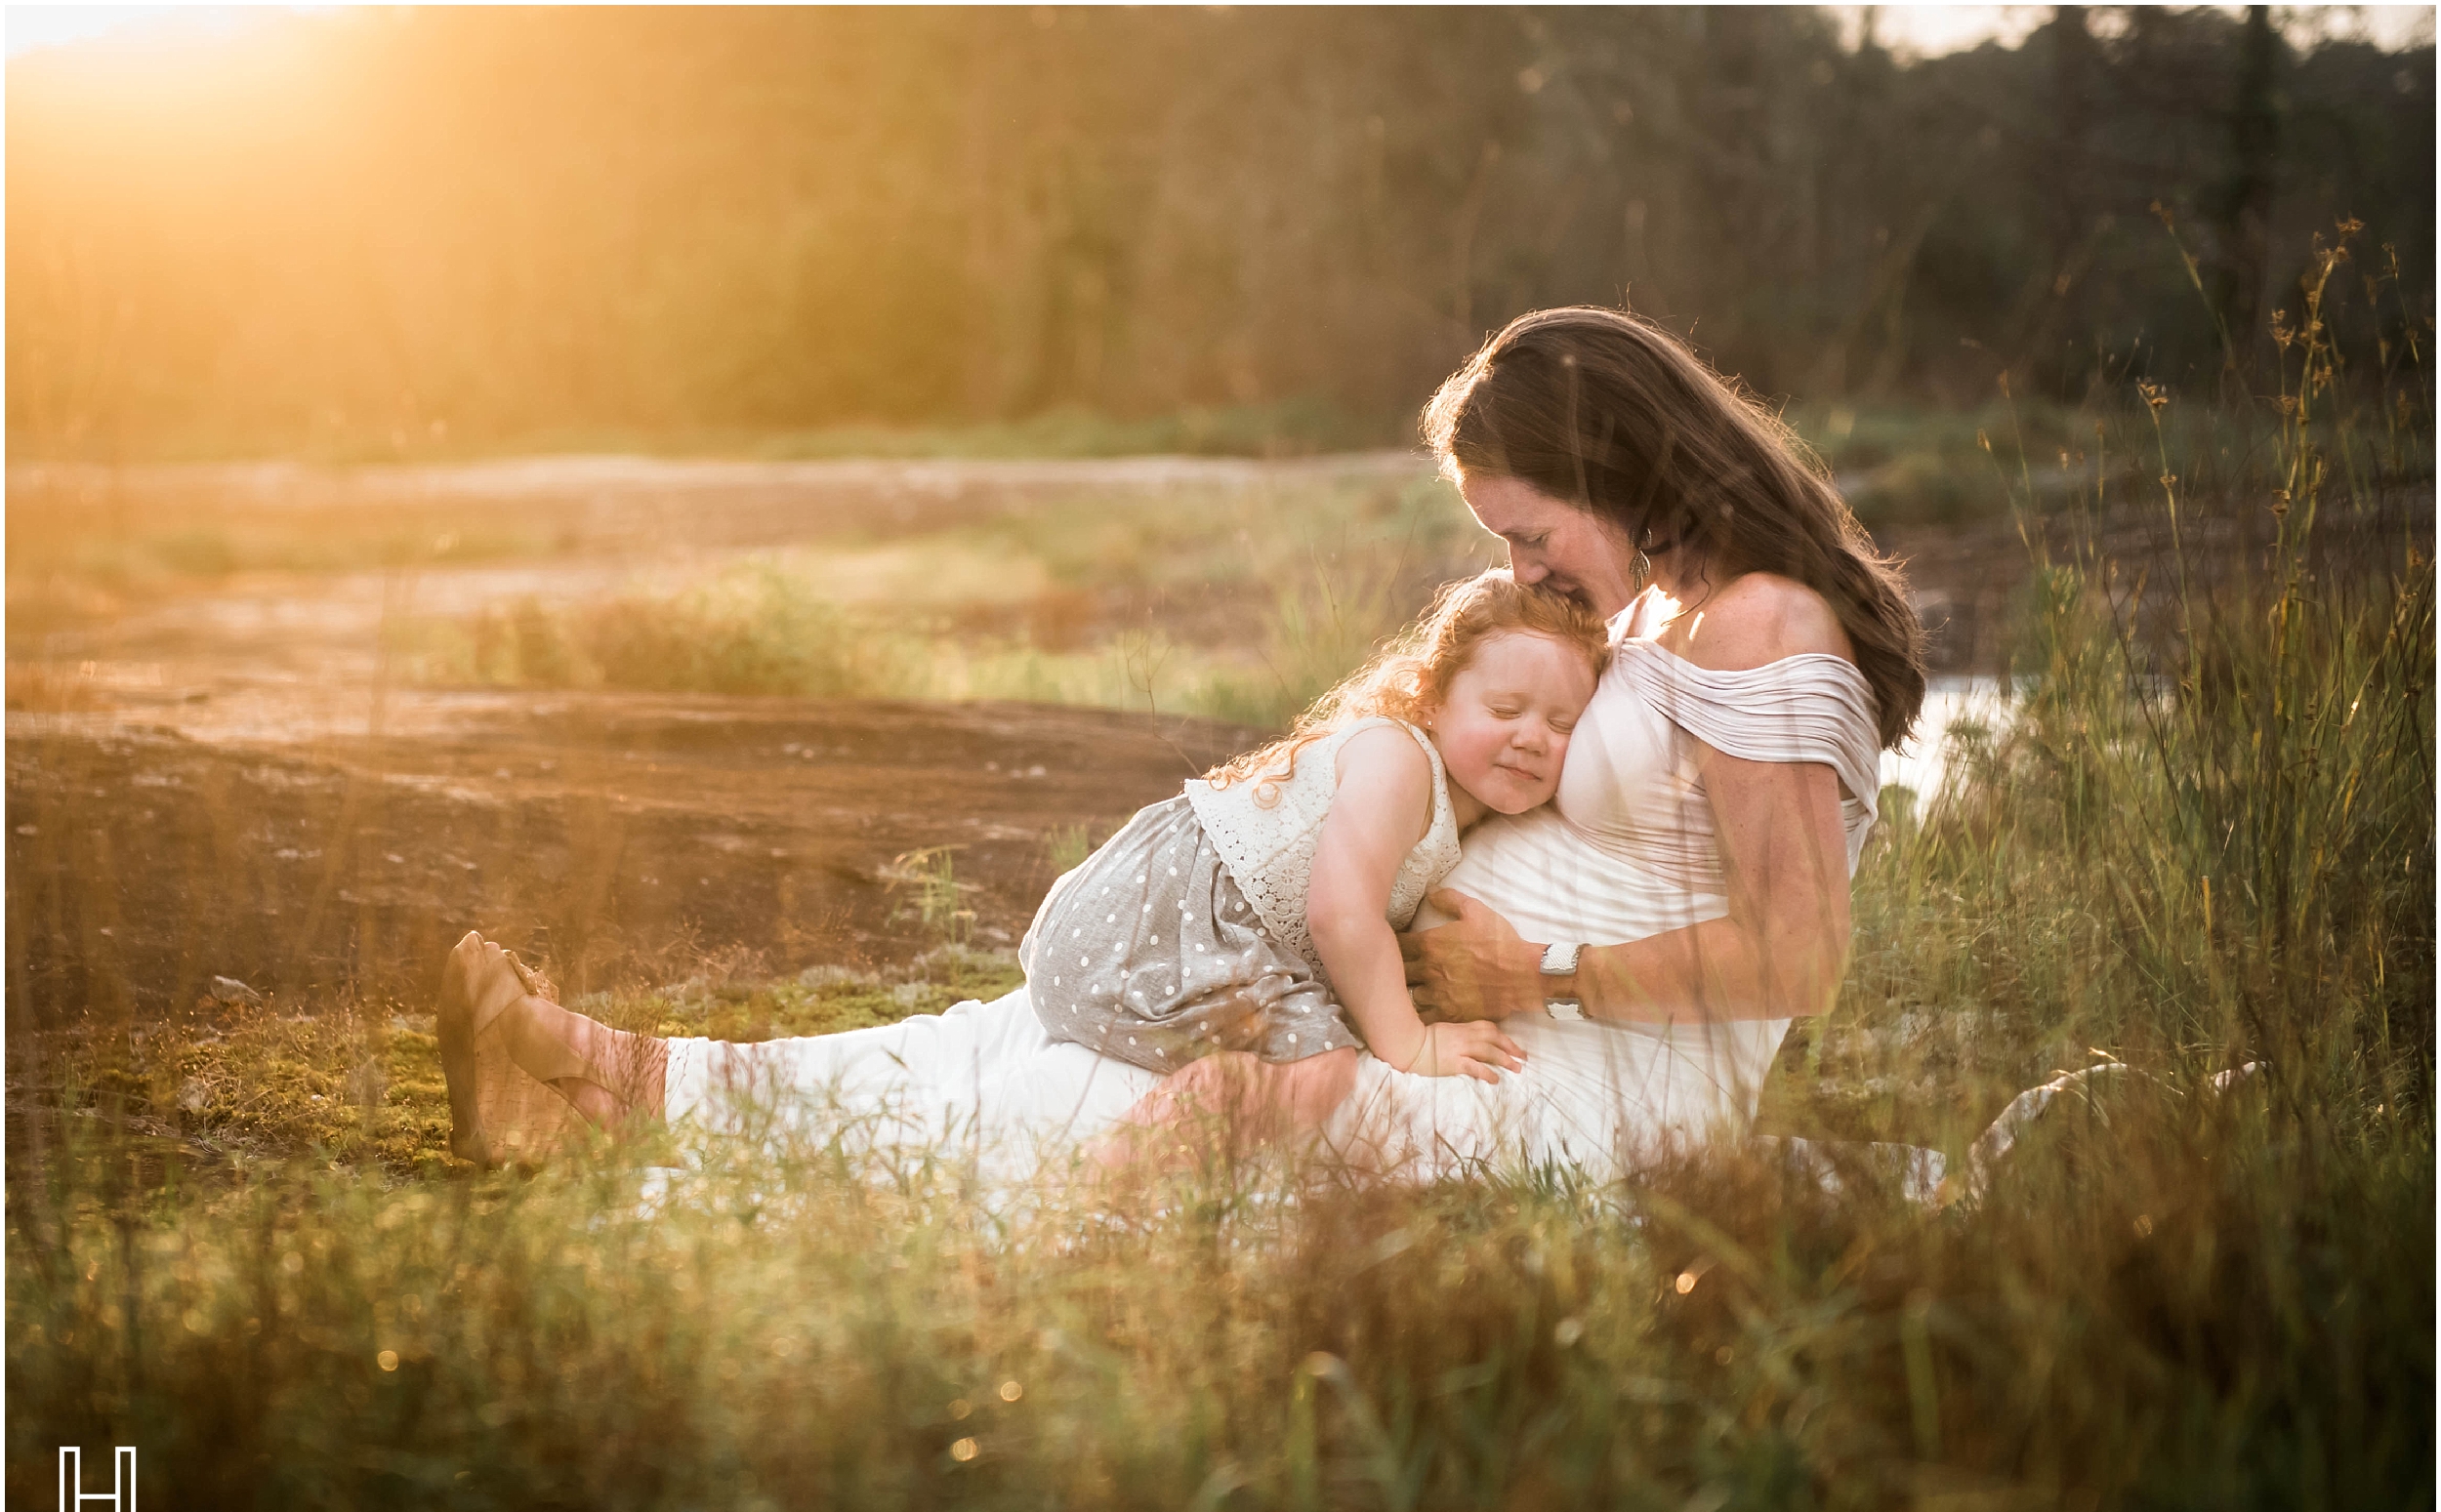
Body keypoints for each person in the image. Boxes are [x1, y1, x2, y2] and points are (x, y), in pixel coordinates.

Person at [437, 304, 1925, 1182]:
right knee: (1015, 1035)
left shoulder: (1763, 632)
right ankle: (610, 1072)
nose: (1529, 576)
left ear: (1612, 463)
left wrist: (1526, 972)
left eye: (1533, 537)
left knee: (1123, 1106)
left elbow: (1799, 957)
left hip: (1597, 1086)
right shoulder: (1674, 612)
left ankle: (634, 1112)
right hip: (1488, 1036)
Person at [1024, 569, 1606, 1092]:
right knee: (1317, 1071)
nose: (1533, 738)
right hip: (1145, 930)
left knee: (1315, 1055)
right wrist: (1411, 1044)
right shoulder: (1398, 762)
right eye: (1505, 711)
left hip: (1184, 935)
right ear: (1431, 700)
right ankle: (1116, 1180)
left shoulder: (1463, 801)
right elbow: (1342, 914)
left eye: (1562, 725)